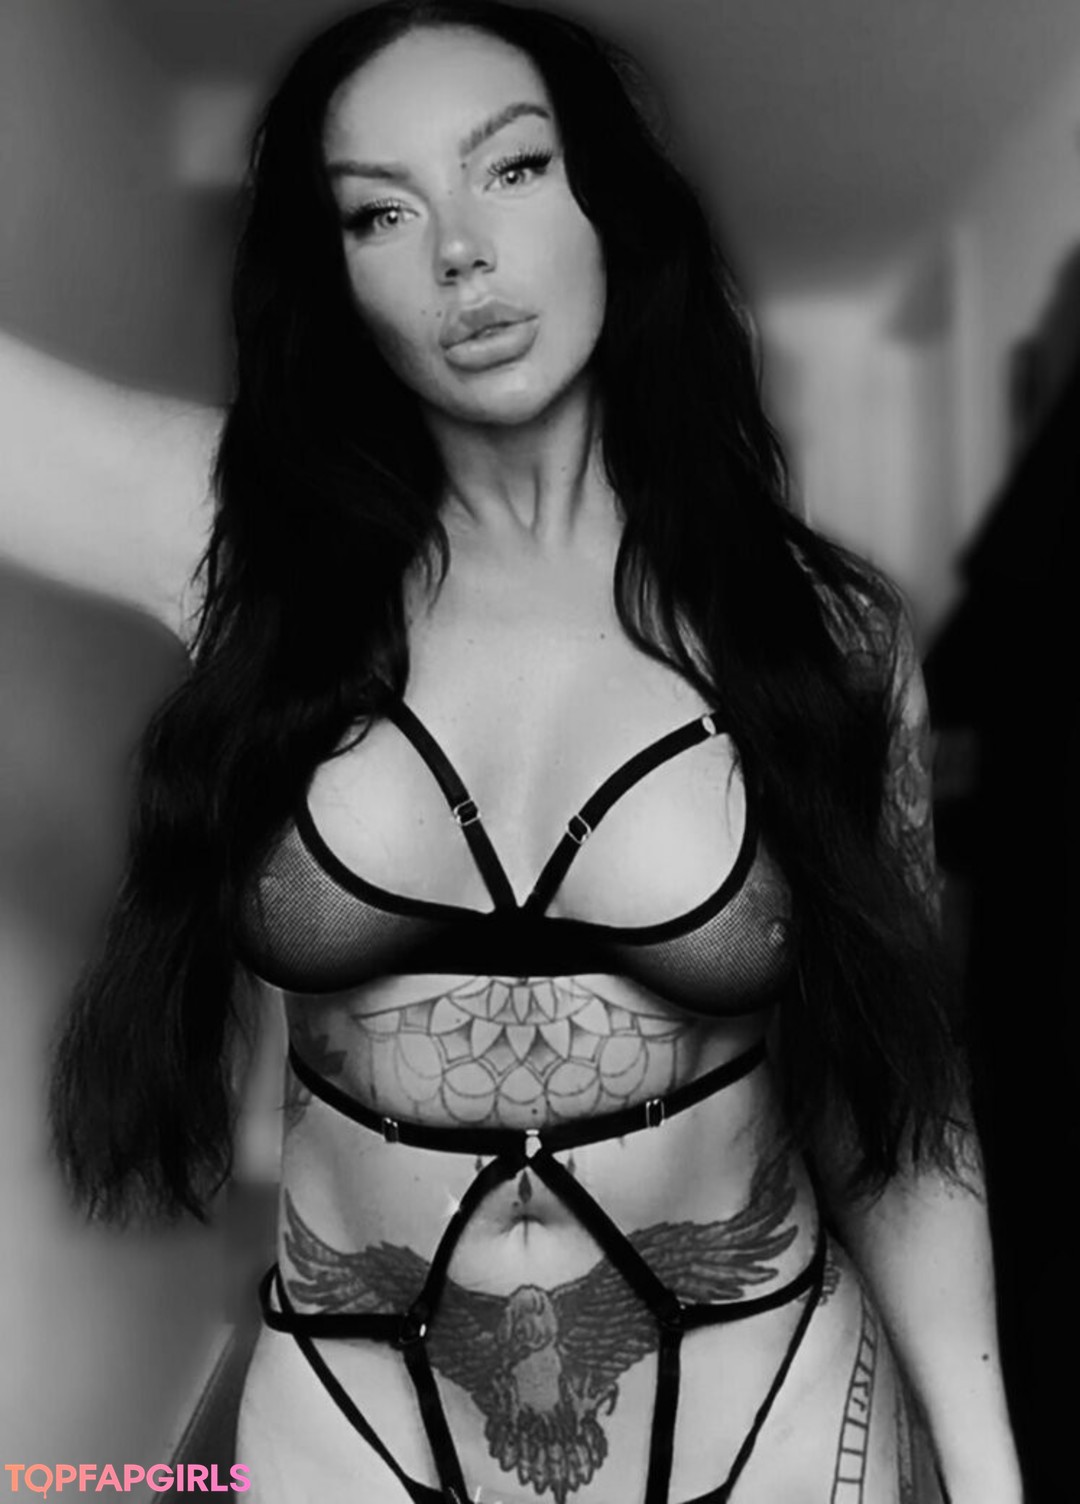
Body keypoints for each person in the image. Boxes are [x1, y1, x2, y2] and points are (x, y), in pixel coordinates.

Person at [5, 1, 1021, 1499]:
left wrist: (989, 1474)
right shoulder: (243, 545)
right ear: (336, 275)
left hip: (766, 1415)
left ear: (610, 201)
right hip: (353, 1419)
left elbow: (902, 1107)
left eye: (515, 169)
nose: (460, 253)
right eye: (382, 211)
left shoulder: (821, 635)